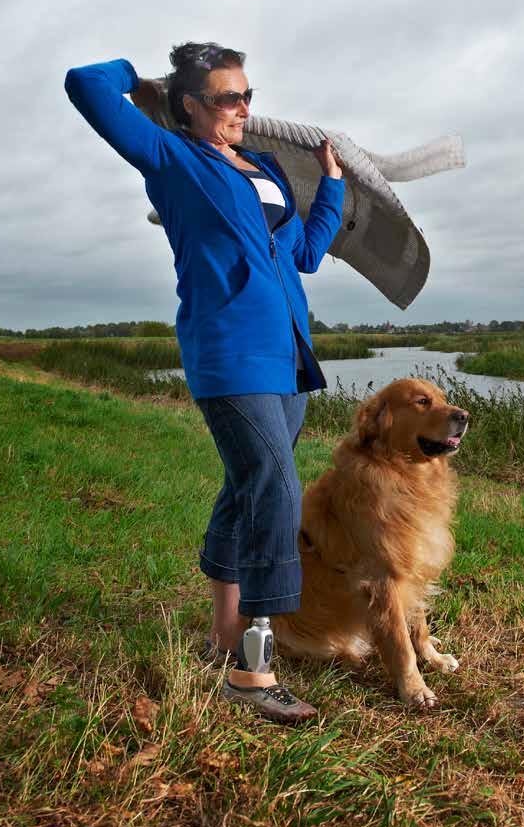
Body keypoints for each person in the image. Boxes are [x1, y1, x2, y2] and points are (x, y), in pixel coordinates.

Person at [65, 42, 344, 723]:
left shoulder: (266, 165)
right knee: (276, 487)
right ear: (190, 106)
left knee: (246, 484)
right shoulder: (173, 158)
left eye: (246, 94)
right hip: (228, 351)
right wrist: (140, 79)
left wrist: (331, 184)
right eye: (225, 97)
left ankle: (223, 631)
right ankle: (253, 666)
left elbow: (303, 255)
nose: (241, 107)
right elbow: (84, 84)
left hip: (288, 353)